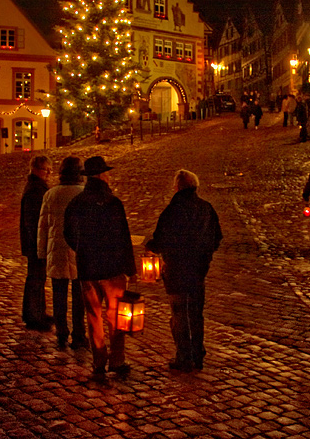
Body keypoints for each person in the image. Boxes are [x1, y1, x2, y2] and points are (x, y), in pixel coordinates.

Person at [64, 156, 136, 379]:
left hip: (88, 268)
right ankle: (117, 359)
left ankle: (98, 360)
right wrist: (130, 268)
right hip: (113, 269)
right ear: (101, 175)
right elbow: (124, 237)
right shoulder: (113, 203)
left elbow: (68, 234)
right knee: (116, 316)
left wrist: (82, 249)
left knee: (93, 315)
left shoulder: (77, 203)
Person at [146, 170, 223, 372]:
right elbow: (217, 237)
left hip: (176, 270)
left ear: (177, 187)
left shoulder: (173, 210)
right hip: (199, 270)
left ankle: (183, 355)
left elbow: (161, 239)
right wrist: (206, 254)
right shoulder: (206, 209)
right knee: (196, 313)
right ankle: (197, 353)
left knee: (179, 314)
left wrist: (152, 246)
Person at [37, 156, 89, 350]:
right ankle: (79, 334)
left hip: (56, 251)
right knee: (79, 298)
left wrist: (42, 253)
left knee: (59, 296)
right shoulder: (83, 194)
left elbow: (43, 227)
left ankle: (61, 332)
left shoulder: (51, 194)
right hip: (79, 252)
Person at [20, 155, 54, 330]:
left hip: (36, 242)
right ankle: (34, 316)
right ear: (35, 169)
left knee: (38, 278)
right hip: (36, 243)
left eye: (50, 170)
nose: (48, 174)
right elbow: (33, 221)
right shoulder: (35, 190)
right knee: (35, 278)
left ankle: (38, 312)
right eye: (45, 170)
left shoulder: (37, 187)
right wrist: (39, 244)